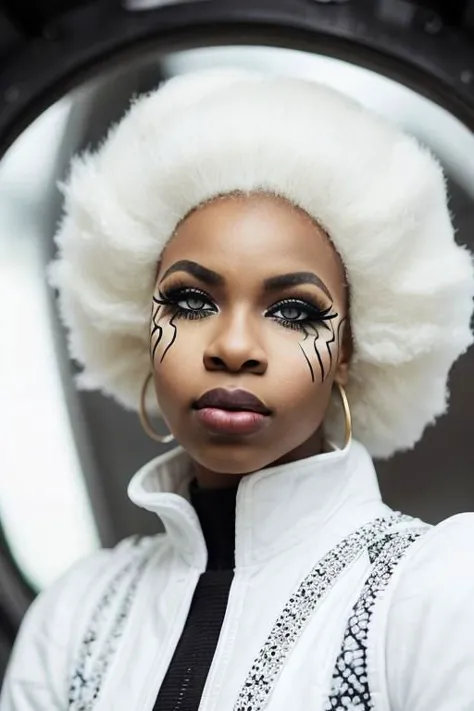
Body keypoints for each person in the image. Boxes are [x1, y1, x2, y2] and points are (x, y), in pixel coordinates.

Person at [1, 68, 474, 711]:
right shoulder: (73, 618)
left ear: (350, 350)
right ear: (138, 325)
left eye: (294, 312)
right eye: (191, 301)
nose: (232, 347)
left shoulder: (436, 589)